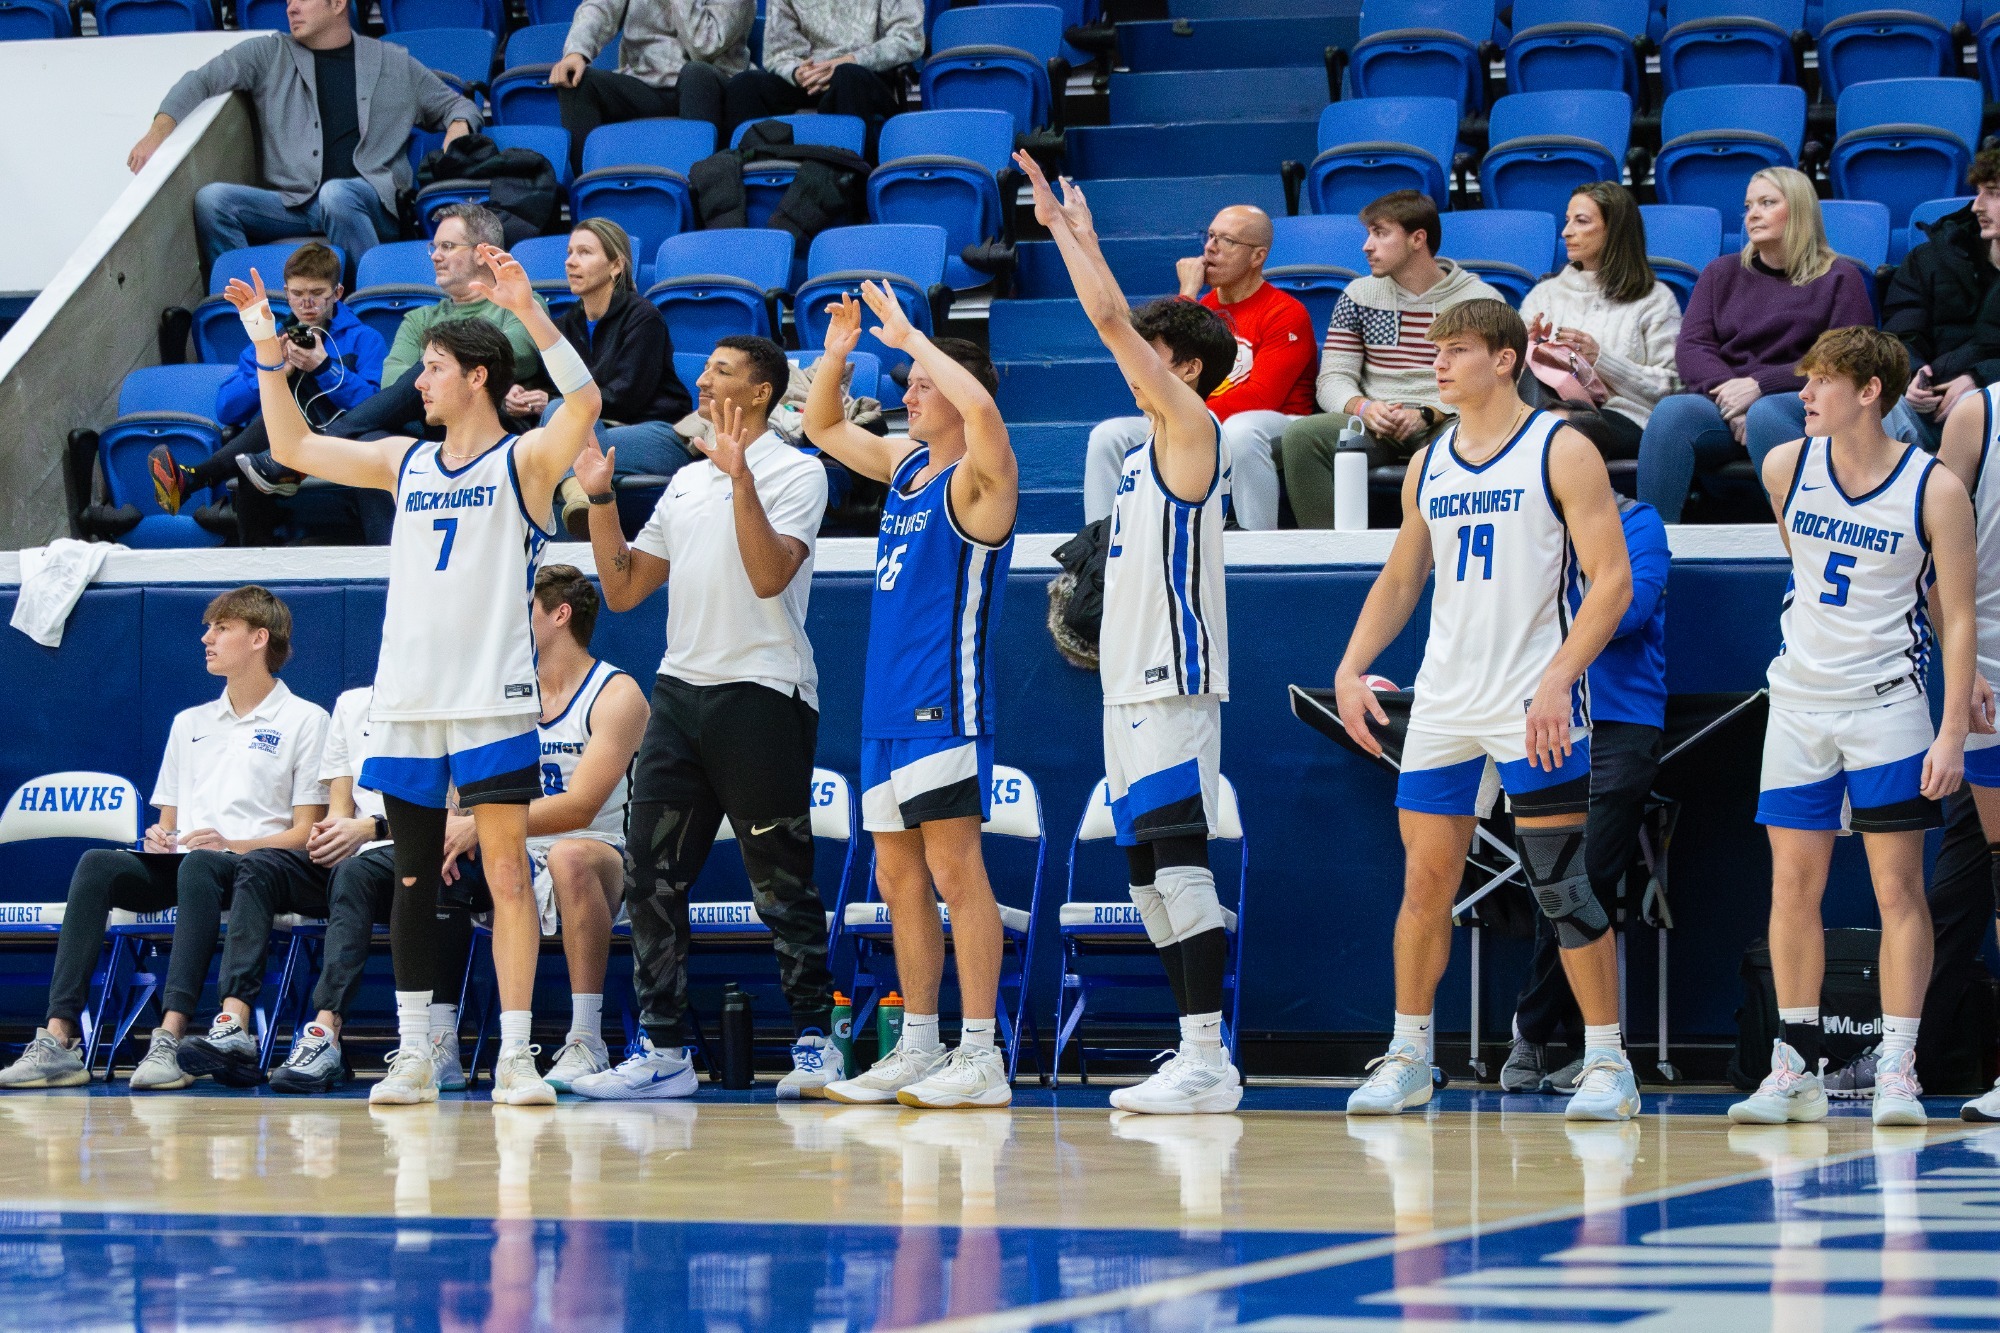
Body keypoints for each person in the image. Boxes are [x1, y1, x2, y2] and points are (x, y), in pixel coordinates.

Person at [221, 240, 602, 1107]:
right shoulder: (406, 460)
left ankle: (512, 1055)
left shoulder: (526, 463)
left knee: (506, 877)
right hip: (409, 703)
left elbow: (586, 399)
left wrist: (529, 305)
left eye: (433, 367)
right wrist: (266, 348)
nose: (418, 381)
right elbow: (293, 444)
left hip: (491, 701)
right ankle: (414, 1052)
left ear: (477, 377)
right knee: (409, 880)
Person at [1332, 298, 1641, 1121]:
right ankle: (1409, 1053)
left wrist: (1559, 674)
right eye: (1436, 351)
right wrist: (1353, 664)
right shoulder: (1432, 461)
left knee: (1562, 886)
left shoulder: (1561, 448)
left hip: (1532, 700)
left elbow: (1613, 581)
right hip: (1444, 700)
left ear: (1505, 360)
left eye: (1457, 349)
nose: (1438, 364)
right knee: (1424, 883)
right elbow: (1402, 578)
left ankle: (1609, 1061)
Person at [1014, 150, 1244, 1115]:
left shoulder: (1192, 430)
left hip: (1171, 681)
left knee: (1178, 861)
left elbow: (1111, 320)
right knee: (1147, 872)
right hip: (1127, 682)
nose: (1127, 361)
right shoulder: (1143, 452)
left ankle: (1209, 1058)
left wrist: (1075, 239)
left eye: (1150, 353)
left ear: (1182, 368)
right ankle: (1191, 1051)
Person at [571, 336, 840, 1101]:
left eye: (722, 369)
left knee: (781, 882)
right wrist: (599, 499)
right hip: (680, 694)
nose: (703, 376)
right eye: (705, 366)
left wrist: (742, 478)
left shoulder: (798, 471)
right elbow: (623, 591)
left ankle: (815, 1041)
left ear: (759, 392)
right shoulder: (685, 482)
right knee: (650, 875)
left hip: (762, 693)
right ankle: (663, 1049)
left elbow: (767, 575)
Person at [1729, 326, 1978, 1130]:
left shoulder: (1933, 488)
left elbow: (1959, 611)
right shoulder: (1783, 467)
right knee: (1791, 887)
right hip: (1798, 702)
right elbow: (1799, 565)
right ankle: (1796, 1062)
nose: (1802, 396)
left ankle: (1897, 1064)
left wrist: (1949, 729)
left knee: (1897, 888)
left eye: (1820, 383)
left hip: (1887, 707)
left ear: (1870, 391)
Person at [801, 286, 1019, 1110]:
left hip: (943, 703)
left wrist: (915, 339)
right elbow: (822, 427)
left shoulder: (980, 478)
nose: (908, 392)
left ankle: (980, 1051)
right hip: (884, 709)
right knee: (898, 876)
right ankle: (920, 1044)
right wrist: (838, 351)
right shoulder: (905, 468)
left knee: (956, 869)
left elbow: (984, 410)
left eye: (922, 383)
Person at [0, 587, 329, 1091]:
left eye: (222, 628)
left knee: (200, 865)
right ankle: (59, 1039)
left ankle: (170, 1038)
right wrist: (160, 837)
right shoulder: (189, 723)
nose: (207, 637)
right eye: (209, 627)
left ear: (260, 638)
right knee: (97, 863)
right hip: (188, 861)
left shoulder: (306, 719)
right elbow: (169, 820)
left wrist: (229, 846)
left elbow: (308, 833)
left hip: (251, 869)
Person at [175, 681, 477, 1094]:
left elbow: (459, 818)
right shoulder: (353, 706)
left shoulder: (459, 702)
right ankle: (235, 1025)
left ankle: (325, 1034)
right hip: (358, 856)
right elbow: (339, 810)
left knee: (353, 872)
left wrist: (371, 829)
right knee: (260, 866)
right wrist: (331, 836)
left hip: (423, 855)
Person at [1500, 481, 1670, 1093]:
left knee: (1581, 876)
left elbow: (1631, 606)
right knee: (1555, 881)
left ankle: (1536, 1034)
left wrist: (1551, 610)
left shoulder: (1639, 520)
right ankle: (1572, 1044)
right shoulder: (1524, 517)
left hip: (1621, 722)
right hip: (1540, 718)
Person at [226, 205, 552, 522]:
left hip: (490, 428)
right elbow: (395, 386)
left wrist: (448, 367)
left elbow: (513, 356)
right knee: (376, 437)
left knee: (430, 369)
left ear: (482, 253)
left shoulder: (521, 305)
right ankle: (382, 559)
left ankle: (305, 454)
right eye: (434, 247)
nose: (435, 255)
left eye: (448, 246)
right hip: (429, 425)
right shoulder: (419, 318)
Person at [458, 565, 648, 1093]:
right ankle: (436, 1041)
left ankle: (587, 1038)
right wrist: (462, 825)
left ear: (559, 615)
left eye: (526, 608)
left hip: (605, 854)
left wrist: (480, 825)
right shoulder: (505, 692)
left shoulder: (616, 693)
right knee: (438, 861)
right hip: (511, 848)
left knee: (569, 855)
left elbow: (581, 806)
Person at [129, 0, 476, 280]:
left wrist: (458, 126)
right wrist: (158, 132)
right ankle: (252, 308)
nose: (290, 8)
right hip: (296, 203)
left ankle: (369, 294)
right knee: (212, 200)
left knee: (336, 194)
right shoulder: (270, 53)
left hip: (368, 203)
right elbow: (201, 80)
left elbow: (457, 104)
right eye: (288, 0)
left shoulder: (393, 62)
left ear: (338, 3)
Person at [1638, 168, 1877, 523]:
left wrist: (1760, 388)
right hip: (1725, 405)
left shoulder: (1840, 277)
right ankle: (1649, 560)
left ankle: (1812, 548)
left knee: (1767, 414)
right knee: (1673, 413)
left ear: (1798, 210)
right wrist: (1734, 399)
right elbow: (1692, 348)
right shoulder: (1721, 273)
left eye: (1767, 203)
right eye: (1749, 205)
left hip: (1805, 404)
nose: (1753, 213)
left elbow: (1849, 359)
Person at [1081, 206, 1317, 531]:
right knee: (1109, 436)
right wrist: (1188, 296)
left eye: (1227, 241)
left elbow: (1263, 396)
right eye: (1210, 236)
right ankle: (1098, 548)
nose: (1210, 248)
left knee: (1242, 432)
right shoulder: (1201, 308)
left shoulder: (1286, 312)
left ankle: (1258, 547)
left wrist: (1178, 413)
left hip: (1274, 423)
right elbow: (1157, 365)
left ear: (1258, 256)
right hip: (1197, 417)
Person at [1280, 192, 1506, 529]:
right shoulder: (1358, 295)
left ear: (1418, 239)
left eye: (1380, 233)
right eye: (1368, 234)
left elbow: (1492, 384)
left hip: (1447, 417)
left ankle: (1452, 552)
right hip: (1378, 420)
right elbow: (1332, 379)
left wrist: (1429, 413)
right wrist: (1364, 408)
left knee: (1473, 436)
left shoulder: (1479, 300)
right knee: (1303, 436)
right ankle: (1329, 558)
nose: (1366, 246)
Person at [149, 241, 387, 529]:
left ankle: (196, 477)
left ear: (337, 293)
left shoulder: (365, 338)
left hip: (340, 442)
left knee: (274, 429)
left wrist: (324, 367)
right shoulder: (270, 341)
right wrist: (274, 372)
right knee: (260, 450)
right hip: (276, 450)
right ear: (286, 294)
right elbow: (227, 408)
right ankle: (199, 485)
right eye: (297, 294)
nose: (307, 303)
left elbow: (375, 406)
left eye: (317, 294)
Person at [1917, 378, 2000, 1122]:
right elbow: (1936, 557)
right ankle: (1909, 1056)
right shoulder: (1981, 411)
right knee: (1976, 878)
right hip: (1991, 677)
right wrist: (1959, 661)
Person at [544, 219, 694, 537]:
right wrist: (524, 396)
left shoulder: (645, 317)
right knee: (556, 420)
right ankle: (581, 498)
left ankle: (576, 497)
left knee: (550, 445)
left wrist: (559, 402)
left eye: (584, 252)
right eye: (569, 252)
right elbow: (546, 387)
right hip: (593, 433)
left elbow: (627, 397)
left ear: (615, 266)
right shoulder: (563, 325)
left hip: (655, 434)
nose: (570, 261)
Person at [1520, 183, 1682, 460]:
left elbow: (1671, 389)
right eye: (1568, 220)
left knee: (1555, 428)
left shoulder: (1654, 299)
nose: (1566, 231)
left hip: (1626, 416)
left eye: (1581, 221)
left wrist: (1600, 359)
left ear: (1614, 230)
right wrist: (1526, 348)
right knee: (1533, 425)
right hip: (1546, 407)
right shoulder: (1544, 295)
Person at [1883, 150, 2000, 451]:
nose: (1977, 206)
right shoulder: (1931, 257)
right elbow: (1902, 331)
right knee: (1871, 404)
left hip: (1991, 407)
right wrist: (1912, 373)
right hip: (1928, 405)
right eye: (1978, 193)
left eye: (1993, 194)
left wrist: (1980, 378)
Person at [550, 0, 750, 173]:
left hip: (710, 85)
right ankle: (595, 195)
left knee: (696, 73)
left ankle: (696, 193)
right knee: (577, 80)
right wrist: (576, 52)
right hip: (646, 80)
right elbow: (600, 8)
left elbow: (705, 47)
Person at [721, 0, 922, 155]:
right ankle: (759, 176)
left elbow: (908, 39)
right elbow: (779, 50)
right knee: (744, 85)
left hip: (867, 74)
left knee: (847, 76)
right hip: (812, 77)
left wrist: (852, 59)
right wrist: (797, 71)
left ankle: (847, 179)